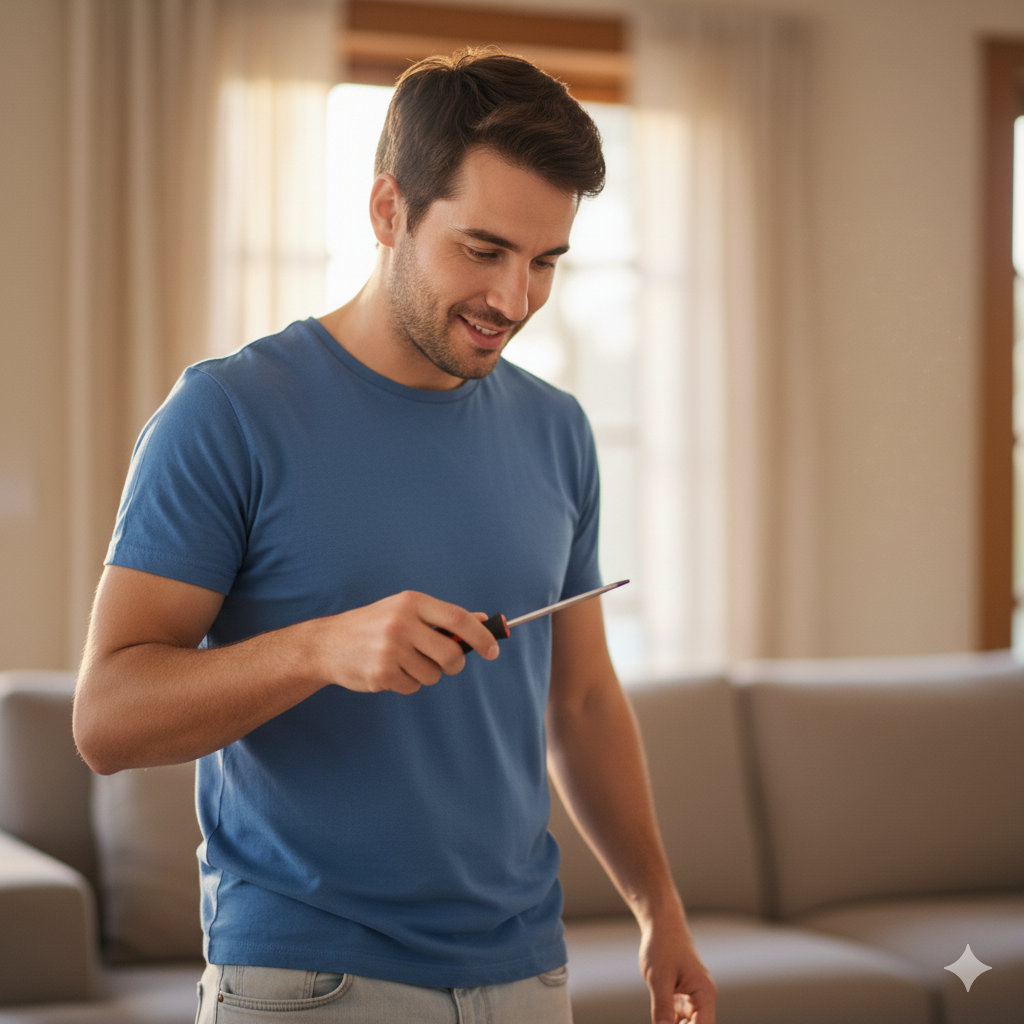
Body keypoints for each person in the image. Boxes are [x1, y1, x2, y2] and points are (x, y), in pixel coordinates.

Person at [73, 49, 716, 1024]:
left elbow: (579, 700)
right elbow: (106, 719)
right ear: (387, 211)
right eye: (482, 248)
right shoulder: (229, 413)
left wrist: (658, 909)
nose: (514, 298)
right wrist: (319, 647)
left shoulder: (557, 430)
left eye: (545, 261)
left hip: (527, 979)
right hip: (307, 983)